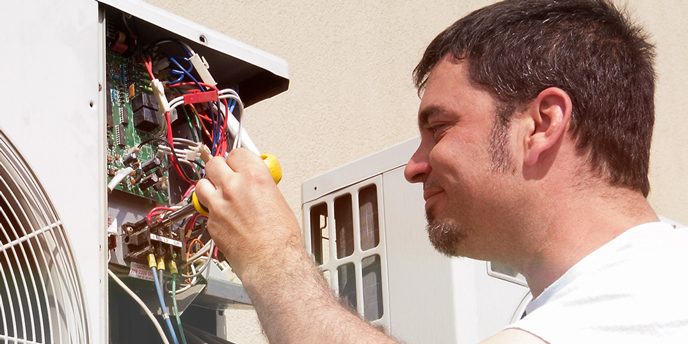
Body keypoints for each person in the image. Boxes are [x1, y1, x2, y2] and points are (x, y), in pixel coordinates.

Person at [196, 0, 688, 342]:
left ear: (542, 124)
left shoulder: (650, 295)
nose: (412, 167)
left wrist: (270, 258)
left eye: (440, 127)